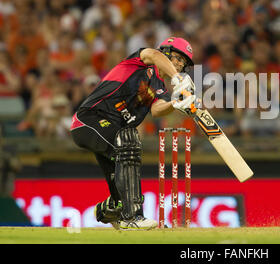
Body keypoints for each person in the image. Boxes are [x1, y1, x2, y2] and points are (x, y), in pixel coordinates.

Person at [70, 37, 197, 230]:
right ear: (166, 51)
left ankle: (113, 208)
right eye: (178, 58)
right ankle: (133, 217)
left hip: (112, 130)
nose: (179, 65)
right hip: (89, 119)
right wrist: (177, 79)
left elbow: (156, 110)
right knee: (128, 141)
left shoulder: (159, 87)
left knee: (124, 154)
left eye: (183, 63)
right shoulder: (140, 59)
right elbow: (153, 55)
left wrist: (175, 104)